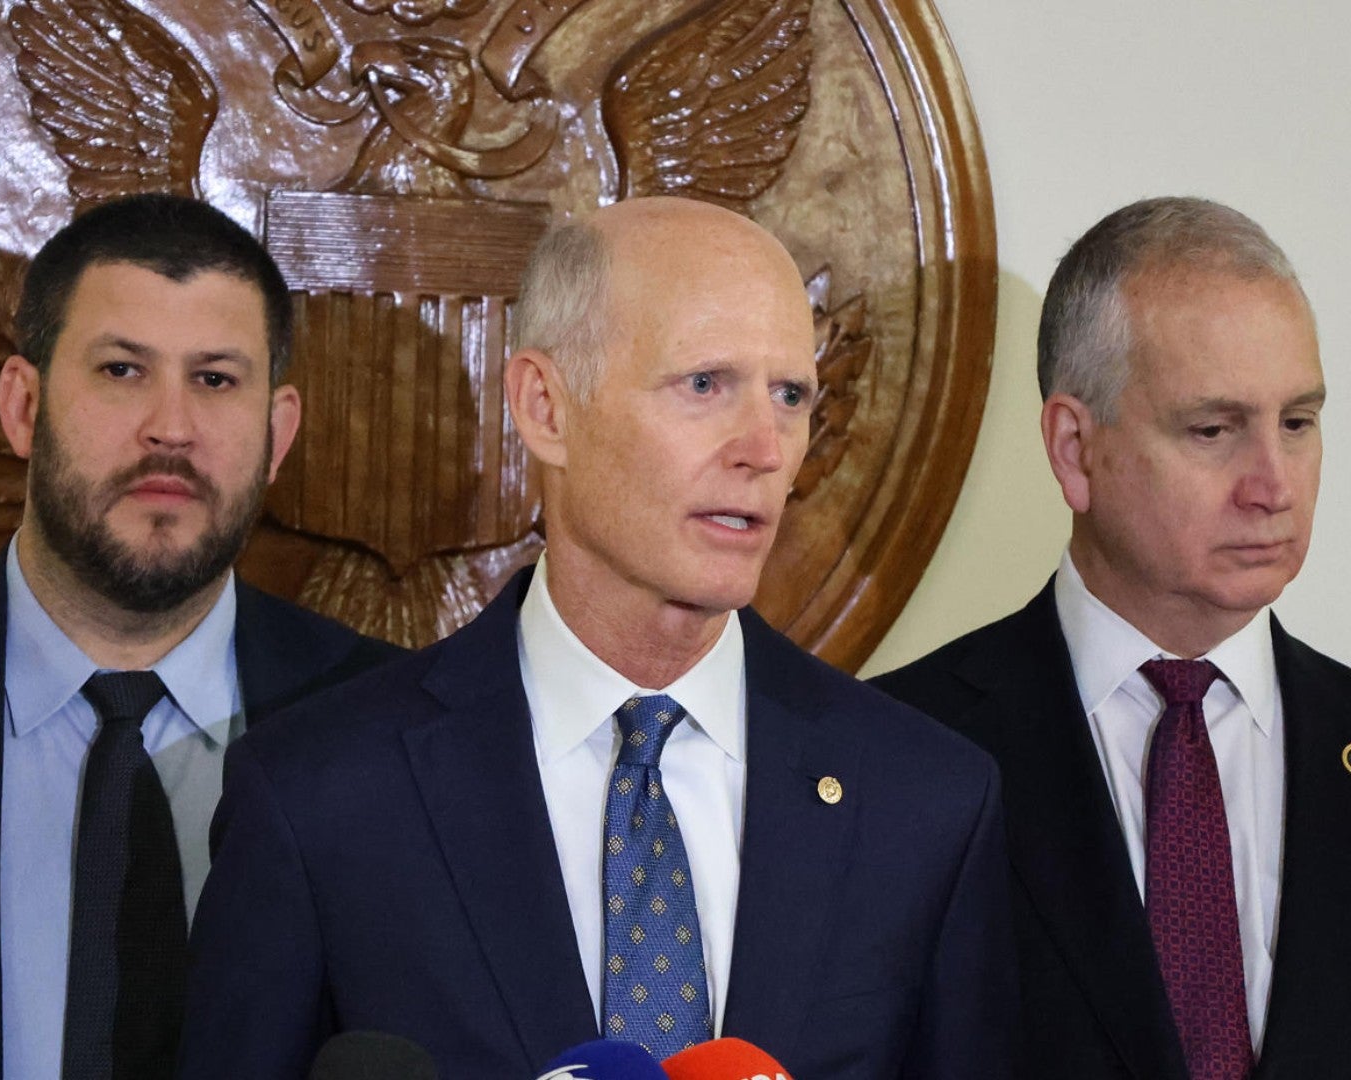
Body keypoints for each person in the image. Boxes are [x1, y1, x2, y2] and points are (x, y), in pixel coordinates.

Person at [179, 197, 1014, 1079]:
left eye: (791, 395)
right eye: (704, 385)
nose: (765, 448)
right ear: (545, 406)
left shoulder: (927, 802)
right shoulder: (322, 796)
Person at [0, 193, 400, 1080]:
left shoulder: (391, 728)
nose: (170, 428)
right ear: (22, 407)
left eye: (215, 379)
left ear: (276, 432)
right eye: (122, 371)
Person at [874, 196, 1346, 1079]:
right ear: (1074, 448)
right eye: (1214, 429)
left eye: (1298, 422)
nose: (1273, 485)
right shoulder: (898, 752)